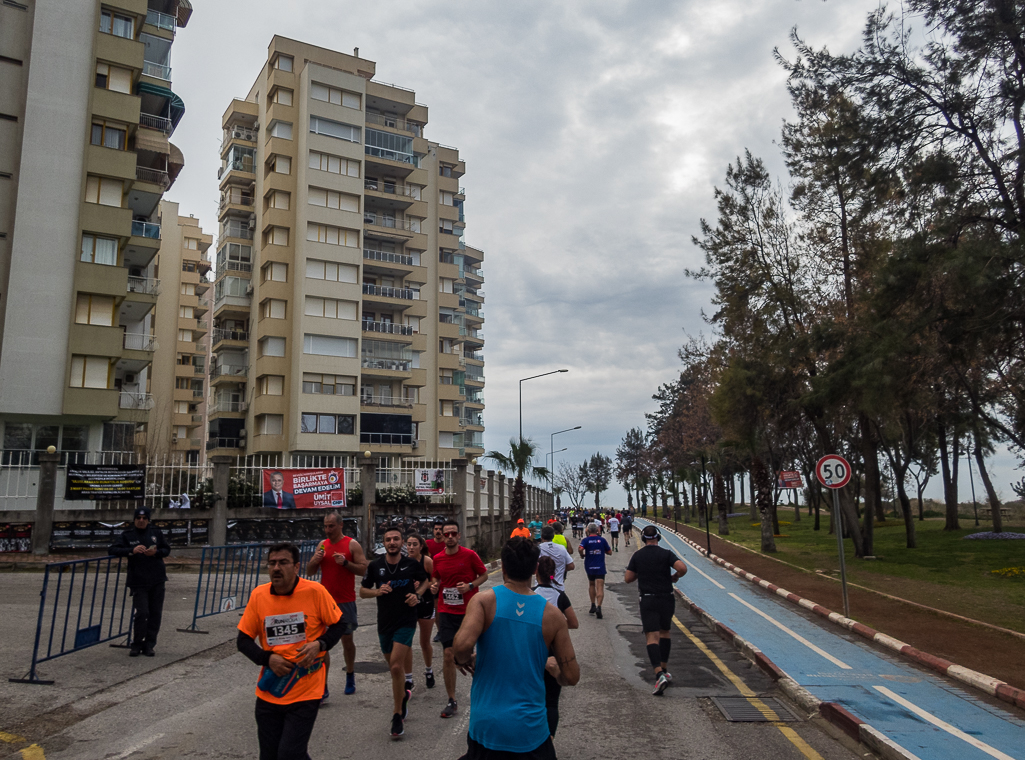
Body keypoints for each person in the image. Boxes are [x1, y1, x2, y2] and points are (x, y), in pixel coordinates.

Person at [452, 537, 579, 759]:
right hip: (531, 732)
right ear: (535, 568)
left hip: (486, 726)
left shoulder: (483, 602)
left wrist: (466, 659)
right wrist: (552, 667)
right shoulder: (553, 615)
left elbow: (461, 647)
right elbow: (571, 676)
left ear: (503, 566)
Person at [237, 543, 345, 760]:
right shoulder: (259, 596)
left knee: (290, 754)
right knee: (269, 755)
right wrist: (267, 659)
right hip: (270, 690)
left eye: (283, 563)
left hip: (306, 688)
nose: (276, 568)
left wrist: (320, 644)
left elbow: (340, 624)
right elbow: (243, 641)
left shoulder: (315, 592)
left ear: (296, 567)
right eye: (272, 563)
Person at [360, 525, 430, 739]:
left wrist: (417, 595)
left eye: (396, 539)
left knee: (397, 665)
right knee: (394, 669)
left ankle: (397, 714)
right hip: (385, 623)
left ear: (401, 542)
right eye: (388, 539)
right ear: (384, 542)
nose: (392, 543)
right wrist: (377, 591)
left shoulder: (411, 564)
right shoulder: (375, 566)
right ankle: (403, 699)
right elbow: (362, 591)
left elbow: (426, 581)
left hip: (406, 621)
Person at [429, 519, 488, 718]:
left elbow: (484, 575)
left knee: (471, 654)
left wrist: (470, 586)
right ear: (443, 536)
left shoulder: (470, 555)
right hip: (447, 612)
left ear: (459, 535)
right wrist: (434, 586)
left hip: (469, 612)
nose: (450, 537)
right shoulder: (437, 558)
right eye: (447, 534)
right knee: (448, 655)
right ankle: (452, 700)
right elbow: (436, 577)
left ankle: (483, 692)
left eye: (454, 533)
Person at [306, 512, 368, 697]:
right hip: (324, 603)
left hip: (345, 602)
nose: (327, 530)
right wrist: (314, 560)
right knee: (322, 643)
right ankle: (322, 684)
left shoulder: (351, 544)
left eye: (331, 526)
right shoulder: (322, 545)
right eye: (325, 526)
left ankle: (350, 674)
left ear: (341, 525)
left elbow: (364, 569)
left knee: (347, 641)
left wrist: (346, 563)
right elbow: (309, 572)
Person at [625, 525, 688, 695]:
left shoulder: (638, 556)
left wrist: (642, 571)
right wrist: (675, 577)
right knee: (665, 632)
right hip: (666, 598)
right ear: (658, 538)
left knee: (652, 636)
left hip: (648, 598)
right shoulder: (666, 554)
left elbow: (628, 578)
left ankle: (658, 674)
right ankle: (665, 669)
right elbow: (682, 568)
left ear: (644, 538)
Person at [109, 507, 171, 657]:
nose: (141, 521)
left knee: (155, 614)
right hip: (138, 580)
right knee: (142, 612)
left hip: (157, 579)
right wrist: (131, 550)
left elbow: (166, 549)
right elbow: (112, 549)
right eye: (138, 518)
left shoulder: (156, 533)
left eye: (144, 518)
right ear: (134, 519)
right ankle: (136, 643)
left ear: (148, 520)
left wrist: (156, 552)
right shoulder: (127, 535)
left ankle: (149, 644)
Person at [534, 555, 579, 738]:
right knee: (551, 702)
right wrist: (557, 625)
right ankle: (549, 739)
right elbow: (574, 623)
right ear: (553, 573)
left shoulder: (530, 593)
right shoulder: (560, 596)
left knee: (532, 699)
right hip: (553, 653)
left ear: (536, 572)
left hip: (533, 652)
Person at [405, 533, 437, 690]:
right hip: (409, 605)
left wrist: (426, 584)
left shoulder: (427, 561)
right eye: (409, 544)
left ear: (421, 546)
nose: (411, 547)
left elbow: (436, 579)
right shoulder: (403, 562)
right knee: (406, 643)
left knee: (424, 642)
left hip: (425, 603)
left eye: (414, 544)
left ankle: (429, 670)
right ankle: (408, 678)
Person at [577, 524, 611, 619]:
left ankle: (592, 605)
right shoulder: (602, 540)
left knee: (591, 584)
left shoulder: (585, 540)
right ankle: (599, 606)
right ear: (597, 530)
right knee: (600, 586)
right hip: (600, 566)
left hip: (589, 565)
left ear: (588, 530)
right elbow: (609, 552)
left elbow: (580, 548)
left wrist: (582, 555)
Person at [537, 525, 574, 593]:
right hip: (558, 588)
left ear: (541, 537)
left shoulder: (537, 549)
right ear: (553, 536)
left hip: (541, 588)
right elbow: (571, 566)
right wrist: (560, 568)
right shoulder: (561, 548)